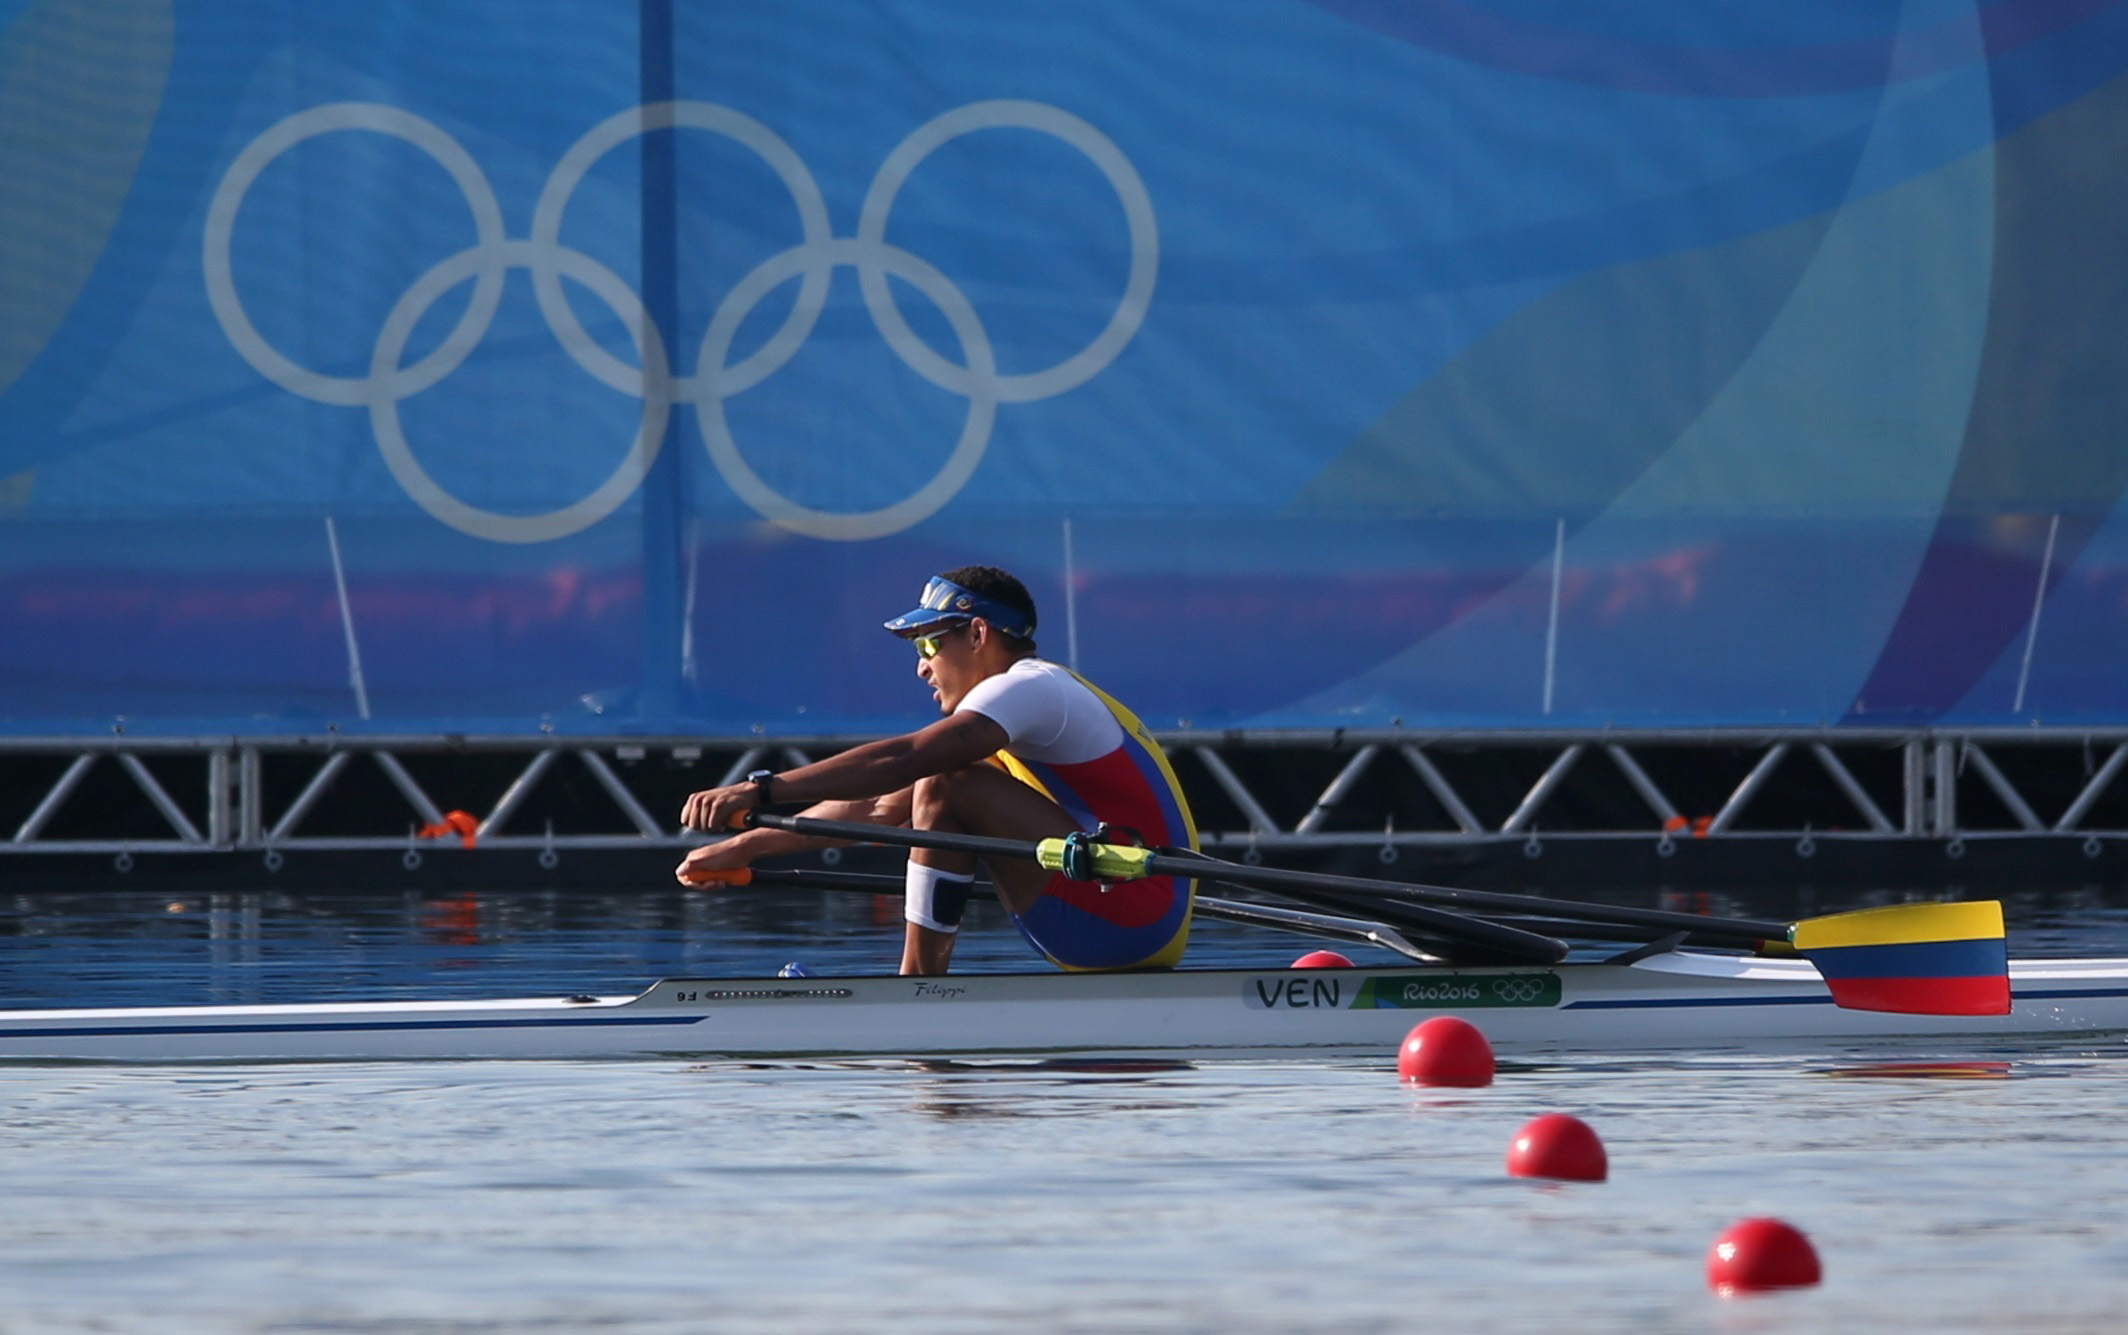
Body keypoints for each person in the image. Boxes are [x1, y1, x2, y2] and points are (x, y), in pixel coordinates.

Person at [677, 566, 1196, 975]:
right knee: (941, 780)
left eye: (929, 644)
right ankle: (922, 990)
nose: (921, 666)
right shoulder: (1010, 718)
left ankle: (917, 985)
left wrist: (762, 790)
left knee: (947, 781)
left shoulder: (1030, 688)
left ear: (977, 633)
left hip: (1132, 910)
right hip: (1122, 913)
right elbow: (880, 805)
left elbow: (904, 760)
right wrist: (748, 845)